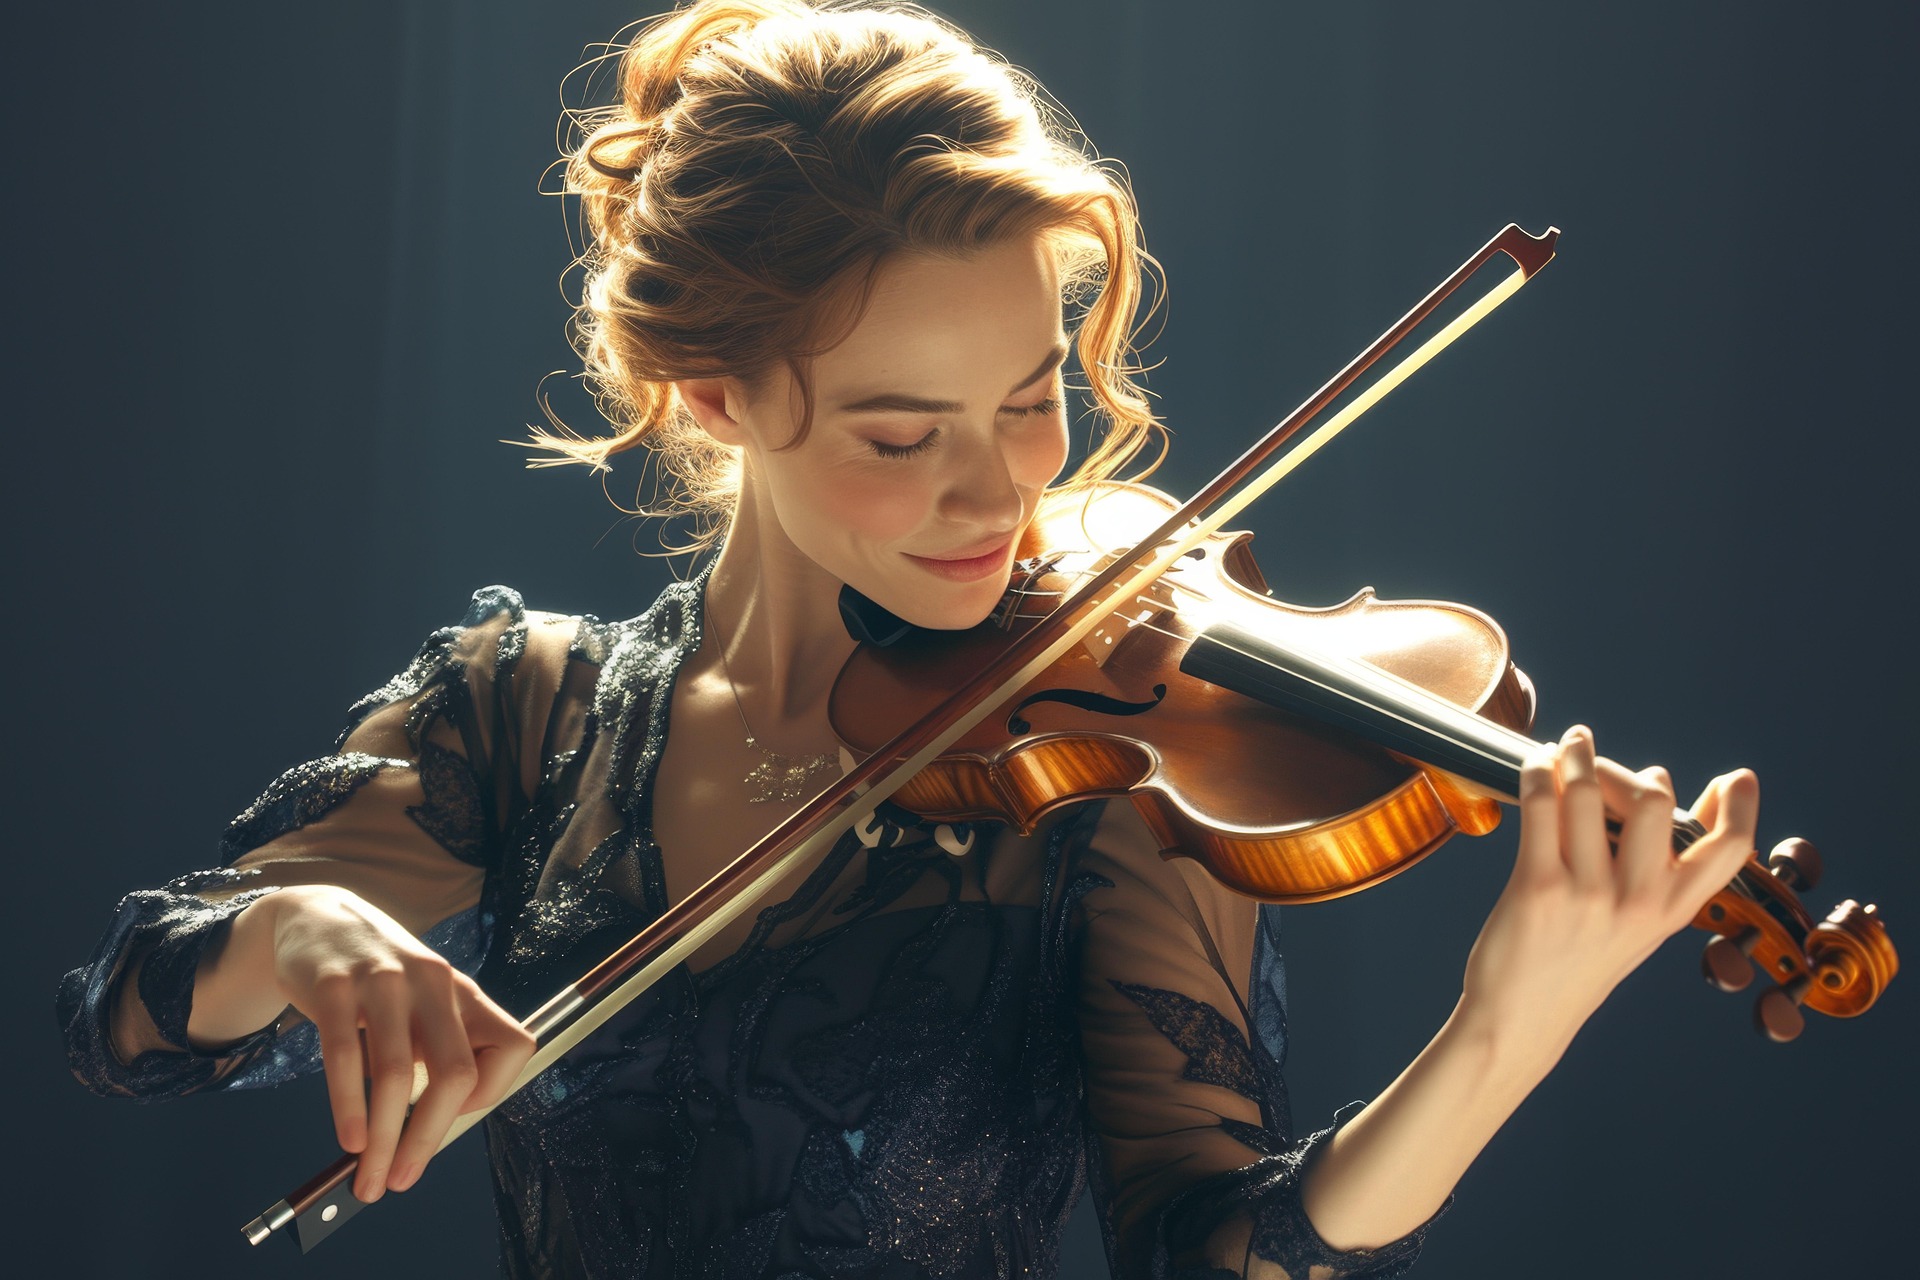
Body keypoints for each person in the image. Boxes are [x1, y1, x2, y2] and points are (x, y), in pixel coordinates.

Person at [55, 2, 1760, 1276]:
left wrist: (1502, 1030)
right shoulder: (524, 713)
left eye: (1032, 397)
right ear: (715, 400)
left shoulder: (1107, 780)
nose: (1002, 491)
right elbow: (127, 1019)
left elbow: (1216, 1249)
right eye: (899, 433)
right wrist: (298, 931)